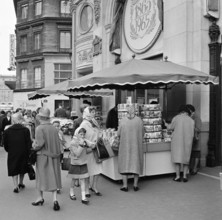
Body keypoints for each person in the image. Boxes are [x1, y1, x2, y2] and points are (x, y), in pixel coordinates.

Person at [32, 108, 62, 211]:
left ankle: (40, 197)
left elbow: (39, 144)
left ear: (40, 117)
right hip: (54, 156)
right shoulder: (53, 128)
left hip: (43, 156)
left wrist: (34, 145)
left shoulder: (39, 128)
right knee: (53, 176)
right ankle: (55, 200)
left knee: (41, 177)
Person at [117, 105, 144, 192]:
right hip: (136, 146)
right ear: (135, 111)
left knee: (125, 164)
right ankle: (135, 185)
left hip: (125, 146)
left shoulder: (123, 121)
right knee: (136, 164)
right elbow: (143, 133)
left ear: (126, 112)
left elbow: (118, 133)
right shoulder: (139, 121)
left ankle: (125, 186)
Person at [3, 112, 32, 193]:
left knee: (14, 167)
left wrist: (9, 150)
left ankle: (15, 186)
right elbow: (28, 143)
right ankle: (21, 183)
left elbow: (5, 143)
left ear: (13, 120)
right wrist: (28, 152)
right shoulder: (25, 130)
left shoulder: (7, 130)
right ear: (20, 119)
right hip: (23, 151)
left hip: (12, 152)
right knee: (22, 167)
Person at [165, 105, 194, 182]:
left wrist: (166, 124)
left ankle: (177, 176)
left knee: (177, 159)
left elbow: (170, 127)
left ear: (181, 111)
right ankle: (184, 176)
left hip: (177, 142)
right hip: (187, 142)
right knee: (186, 159)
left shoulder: (176, 118)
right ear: (186, 112)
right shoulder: (191, 120)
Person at [68, 127, 95, 205]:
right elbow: (77, 153)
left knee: (83, 180)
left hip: (83, 163)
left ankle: (83, 197)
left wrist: (93, 146)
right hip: (75, 163)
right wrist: (81, 145)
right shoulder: (73, 143)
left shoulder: (84, 141)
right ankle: (71, 192)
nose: (83, 136)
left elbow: (86, 151)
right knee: (74, 179)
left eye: (84, 134)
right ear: (77, 134)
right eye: (81, 134)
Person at [79, 106, 102, 196]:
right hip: (88, 149)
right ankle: (87, 188)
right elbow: (81, 136)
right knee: (88, 170)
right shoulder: (84, 124)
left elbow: (98, 132)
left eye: (94, 112)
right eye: (92, 112)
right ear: (87, 113)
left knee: (97, 169)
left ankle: (94, 186)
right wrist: (89, 144)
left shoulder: (94, 122)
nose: (94, 113)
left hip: (96, 148)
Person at [186, 104, 202, 175]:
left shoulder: (197, 118)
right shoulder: (188, 117)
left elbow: (198, 129)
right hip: (190, 138)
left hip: (196, 138)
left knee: (196, 153)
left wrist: (191, 125)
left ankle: (195, 168)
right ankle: (190, 168)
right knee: (191, 154)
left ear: (190, 110)